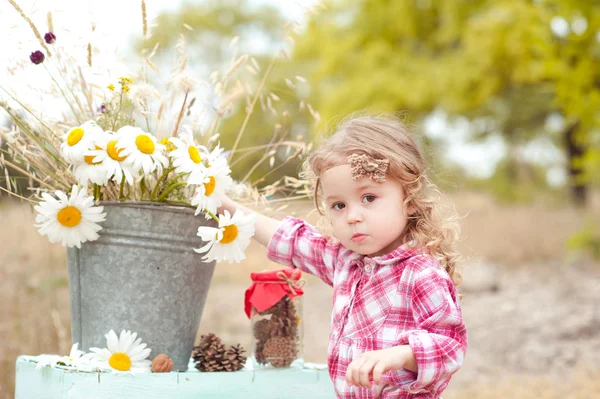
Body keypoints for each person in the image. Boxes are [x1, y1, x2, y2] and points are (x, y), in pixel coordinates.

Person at [219, 114, 467, 398]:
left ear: (409, 199)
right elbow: (292, 241)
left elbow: (450, 345)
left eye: (369, 198)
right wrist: (226, 208)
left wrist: (399, 355)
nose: (352, 216)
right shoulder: (345, 261)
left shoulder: (421, 273)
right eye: (338, 204)